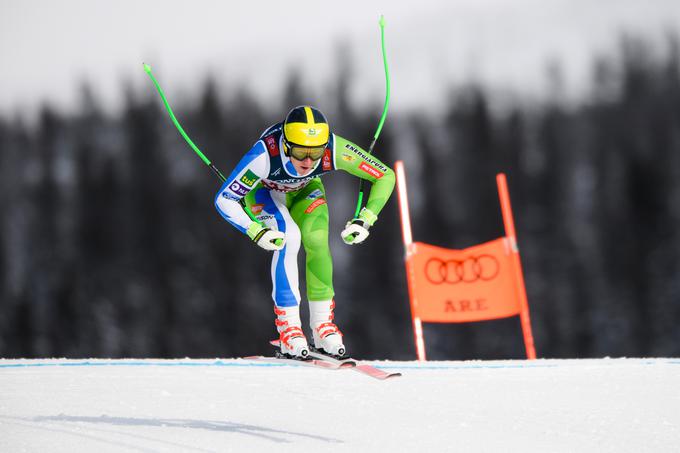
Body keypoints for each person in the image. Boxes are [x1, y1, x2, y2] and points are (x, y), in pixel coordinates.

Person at [214, 105, 395, 359]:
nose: (308, 161)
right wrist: (254, 230)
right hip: (264, 193)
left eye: (316, 153)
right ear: (287, 145)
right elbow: (225, 199)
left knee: (317, 238)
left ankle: (323, 326)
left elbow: (385, 176)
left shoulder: (333, 148)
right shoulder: (265, 155)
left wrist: (365, 219)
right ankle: (289, 328)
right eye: (300, 152)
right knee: (289, 238)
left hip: (304, 190)